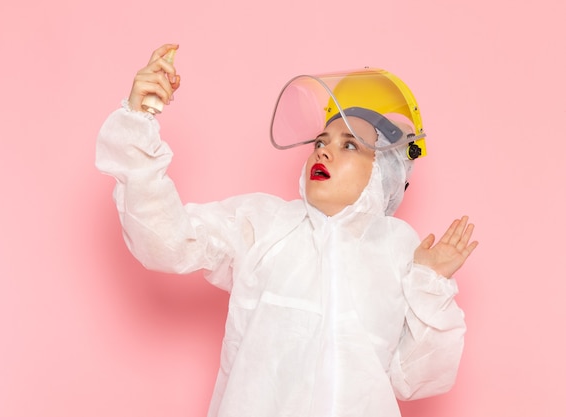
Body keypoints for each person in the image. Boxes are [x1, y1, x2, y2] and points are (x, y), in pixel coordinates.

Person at [96, 43, 478, 417]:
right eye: (320, 141)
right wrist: (139, 117)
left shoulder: (397, 250)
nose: (323, 151)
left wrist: (431, 283)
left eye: (349, 145)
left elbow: (416, 379)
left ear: (385, 172)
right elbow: (166, 241)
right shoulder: (264, 224)